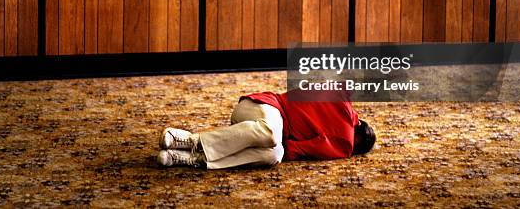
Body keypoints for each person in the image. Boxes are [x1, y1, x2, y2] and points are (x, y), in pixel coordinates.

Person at [157, 90, 376, 169]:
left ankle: (191, 159)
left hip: (250, 123)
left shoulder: (341, 97)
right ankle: (192, 141)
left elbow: (287, 151)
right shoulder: (345, 142)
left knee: (274, 155)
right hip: (265, 108)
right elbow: (297, 150)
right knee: (271, 135)